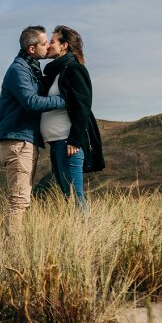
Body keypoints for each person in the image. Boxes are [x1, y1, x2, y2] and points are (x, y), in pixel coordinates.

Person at [0, 26, 67, 226]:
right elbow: (32, 102)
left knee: (21, 200)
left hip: (24, 140)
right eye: (44, 43)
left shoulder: (29, 68)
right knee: (19, 201)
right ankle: (12, 251)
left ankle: (12, 246)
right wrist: (66, 100)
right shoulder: (18, 70)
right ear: (32, 50)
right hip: (18, 142)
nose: (48, 46)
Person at [38, 25, 105, 209]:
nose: (49, 45)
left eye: (52, 41)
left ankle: (87, 235)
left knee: (75, 196)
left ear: (64, 46)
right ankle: (81, 233)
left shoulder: (74, 69)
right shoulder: (55, 72)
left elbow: (82, 106)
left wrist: (74, 141)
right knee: (68, 196)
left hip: (68, 144)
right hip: (57, 143)